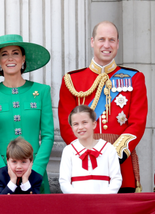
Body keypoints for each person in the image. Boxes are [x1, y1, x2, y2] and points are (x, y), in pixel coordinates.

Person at [58, 21, 148, 193]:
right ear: (92, 42)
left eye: (112, 40)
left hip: (121, 165)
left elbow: (137, 124)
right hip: (83, 165)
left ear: (118, 44)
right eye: (101, 39)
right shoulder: (71, 81)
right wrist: (86, 153)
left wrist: (111, 156)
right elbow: (66, 125)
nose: (107, 45)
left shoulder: (134, 78)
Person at [0, 34, 54, 194]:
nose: (10, 58)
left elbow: (48, 135)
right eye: (4, 54)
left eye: (15, 53)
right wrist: (3, 171)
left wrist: (36, 169)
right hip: (4, 174)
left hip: (35, 171)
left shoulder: (42, 91)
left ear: (23, 59)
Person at [59, 105, 122, 194]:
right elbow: (64, 181)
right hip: (78, 203)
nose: (80, 127)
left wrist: (105, 198)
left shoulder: (108, 149)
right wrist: (77, 198)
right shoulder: (69, 151)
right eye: (76, 124)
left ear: (93, 124)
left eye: (84, 122)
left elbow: (116, 179)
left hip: (104, 203)